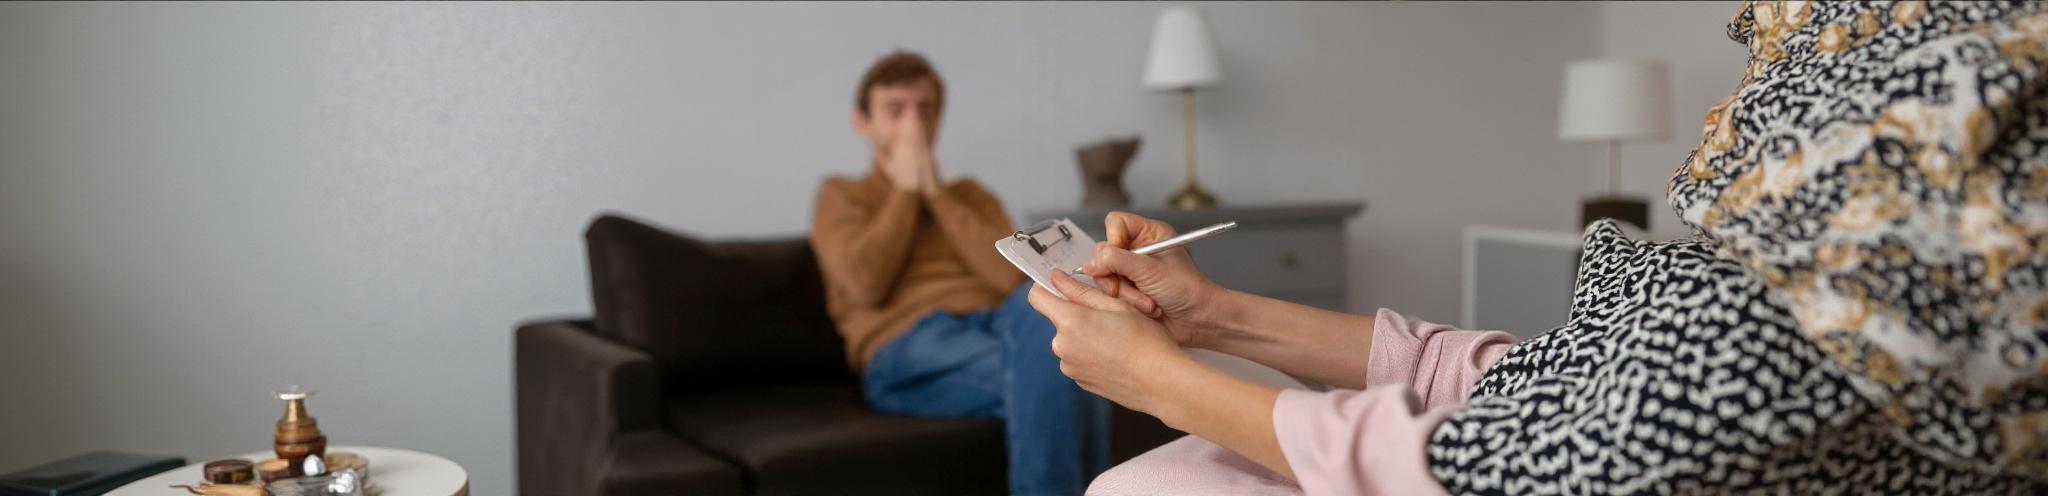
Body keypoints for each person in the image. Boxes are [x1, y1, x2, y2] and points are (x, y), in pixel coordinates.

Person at [1032, 2, 2048, 494]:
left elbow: (1501, 465)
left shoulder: (1856, 273)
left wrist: (1165, 383)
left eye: (1770, 52)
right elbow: (1529, 379)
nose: (1719, 106)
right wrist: (1216, 317)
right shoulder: (1798, 270)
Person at [810, 50, 1109, 496]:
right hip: (909, 347)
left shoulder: (969, 194)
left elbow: (1011, 277)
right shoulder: (842, 194)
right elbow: (865, 283)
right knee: (1071, 369)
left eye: (925, 110)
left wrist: (936, 192)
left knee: (1059, 316)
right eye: (896, 111)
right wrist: (906, 191)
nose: (913, 125)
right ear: (863, 123)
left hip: (1000, 326)